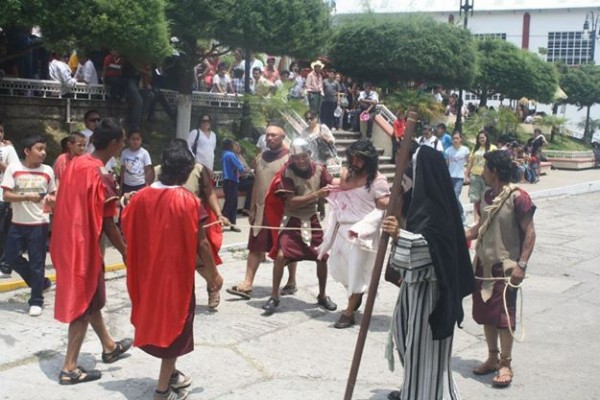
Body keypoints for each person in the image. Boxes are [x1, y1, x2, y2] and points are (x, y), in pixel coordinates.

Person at [122, 139, 223, 400]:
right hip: (174, 277)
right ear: (186, 170)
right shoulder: (187, 201)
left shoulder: (140, 198)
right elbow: (201, 244)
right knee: (175, 328)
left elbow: (128, 228)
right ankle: (162, 389)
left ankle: (172, 374)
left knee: (158, 322)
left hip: (146, 274)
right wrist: (214, 275)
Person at [382, 145, 474, 400]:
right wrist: (399, 222)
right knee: (405, 339)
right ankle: (414, 389)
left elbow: (434, 248)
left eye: (412, 172)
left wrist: (400, 235)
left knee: (426, 351)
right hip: (413, 287)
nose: (407, 178)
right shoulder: (417, 204)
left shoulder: (437, 210)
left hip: (432, 292)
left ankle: (428, 395)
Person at [51, 118, 131, 385]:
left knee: (91, 299)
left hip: (66, 240)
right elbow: (108, 223)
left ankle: (109, 346)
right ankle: (69, 368)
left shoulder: (74, 164)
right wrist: (125, 251)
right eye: (121, 141)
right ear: (113, 144)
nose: (122, 146)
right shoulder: (100, 174)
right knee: (83, 304)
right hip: (83, 246)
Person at [465, 150, 536, 388]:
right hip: (483, 266)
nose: (482, 172)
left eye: (485, 168)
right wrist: (460, 234)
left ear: (494, 171)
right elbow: (480, 227)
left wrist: (522, 265)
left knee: (505, 317)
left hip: (505, 268)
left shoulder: (518, 197)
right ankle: (493, 358)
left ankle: (506, 363)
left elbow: (530, 232)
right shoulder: (485, 197)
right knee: (486, 314)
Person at [261, 138, 337, 314]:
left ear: (309, 155)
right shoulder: (287, 173)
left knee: (322, 256)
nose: (300, 161)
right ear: (292, 158)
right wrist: (316, 194)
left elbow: (333, 185)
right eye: (296, 158)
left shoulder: (320, 170)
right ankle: (274, 296)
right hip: (293, 219)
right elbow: (292, 202)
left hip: (312, 218)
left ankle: (323, 295)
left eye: (303, 156)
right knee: (280, 257)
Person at [319, 140, 390, 328]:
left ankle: (348, 312)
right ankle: (355, 295)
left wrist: (385, 203)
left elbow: (384, 201)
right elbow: (338, 185)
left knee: (357, 271)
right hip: (342, 230)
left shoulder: (378, 180)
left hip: (362, 233)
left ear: (369, 160)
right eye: (354, 157)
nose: (356, 161)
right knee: (341, 269)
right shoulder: (346, 175)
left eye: (361, 158)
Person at [227, 120, 297, 300]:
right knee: (256, 246)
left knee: (286, 248)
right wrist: (251, 208)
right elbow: (257, 183)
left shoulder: (291, 158)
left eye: (274, 135)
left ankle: (291, 280)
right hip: (260, 209)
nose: (270, 138)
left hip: (282, 211)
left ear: (283, 136)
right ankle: (247, 283)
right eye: (268, 135)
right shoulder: (260, 158)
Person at [1, 135, 57, 316]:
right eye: (39, 149)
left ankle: (36, 300)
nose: (43, 153)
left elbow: (54, 196)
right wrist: (27, 197)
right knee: (10, 257)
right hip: (17, 223)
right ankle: (41, 283)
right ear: (27, 151)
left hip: (39, 224)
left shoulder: (47, 170)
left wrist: (52, 200)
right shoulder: (14, 169)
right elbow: (7, 195)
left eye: (44, 149)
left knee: (37, 263)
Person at [0, 122, 20, 277]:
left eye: (1, 130)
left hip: (2, 197)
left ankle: (5, 266)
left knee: (3, 232)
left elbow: (16, 171)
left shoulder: (8, 149)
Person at [465, 131, 497, 223]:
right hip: (475, 176)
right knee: (476, 198)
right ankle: (476, 219)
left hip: (487, 177)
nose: (481, 139)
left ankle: (487, 218)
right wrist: (466, 175)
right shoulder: (475, 148)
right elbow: (470, 163)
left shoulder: (492, 148)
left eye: (483, 137)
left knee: (487, 198)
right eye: (480, 138)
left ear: (487, 138)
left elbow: (496, 161)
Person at [445, 131, 470, 224]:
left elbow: (468, 163)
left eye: (457, 138)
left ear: (461, 139)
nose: (455, 140)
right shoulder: (448, 151)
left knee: (455, 196)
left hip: (459, 177)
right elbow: (447, 164)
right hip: (450, 176)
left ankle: (461, 213)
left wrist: (467, 175)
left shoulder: (465, 150)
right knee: (450, 197)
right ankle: (452, 215)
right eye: (454, 138)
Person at [221, 139, 245, 232]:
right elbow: (240, 167)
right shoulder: (231, 155)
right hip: (231, 180)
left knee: (233, 202)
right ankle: (221, 222)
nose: (237, 147)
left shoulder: (224, 154)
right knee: (230, 203)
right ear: (230, 146)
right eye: (235, 145)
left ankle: (232, 224)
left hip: (228, 180)